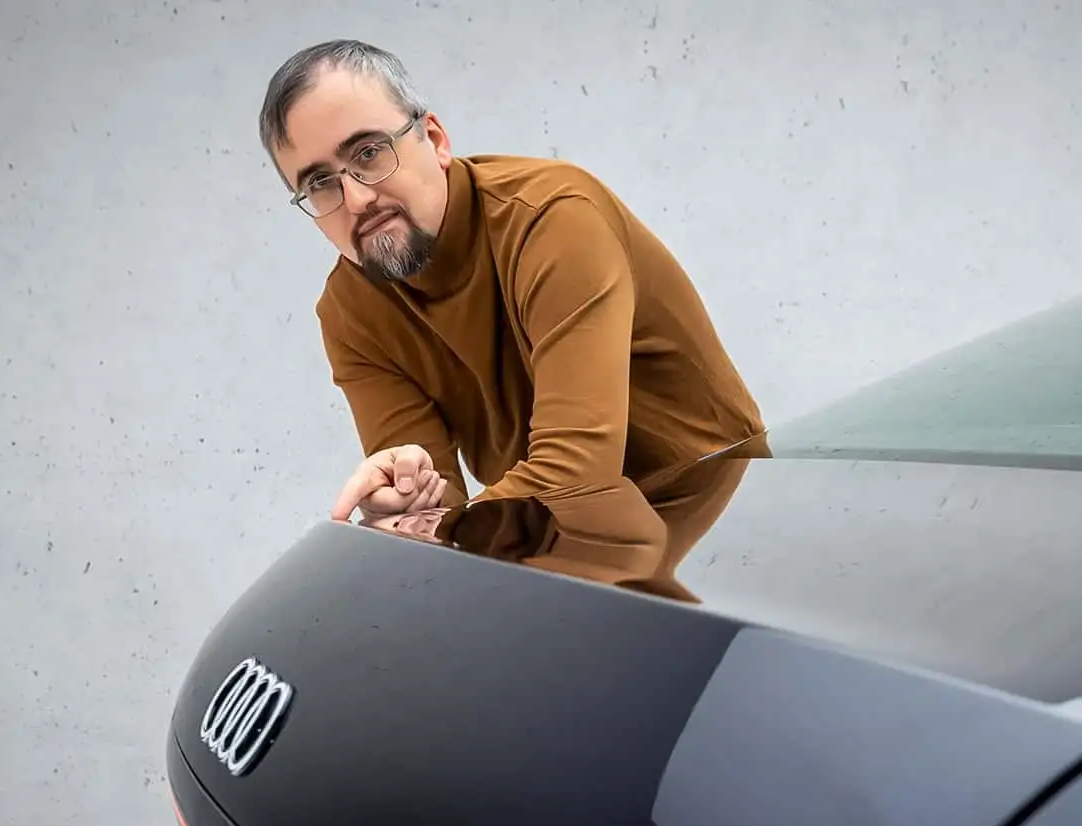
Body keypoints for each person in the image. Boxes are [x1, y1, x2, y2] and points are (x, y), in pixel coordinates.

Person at [254, 39, 766, 524]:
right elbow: (440, 513)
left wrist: (438, 532)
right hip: (559, 553)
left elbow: (576, 477)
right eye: (320, 183)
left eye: (369, 153)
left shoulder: (554, 219)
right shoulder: (350, 314)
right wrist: (407, 506)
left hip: (725, 521)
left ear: (435, 140)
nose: (357, 199)